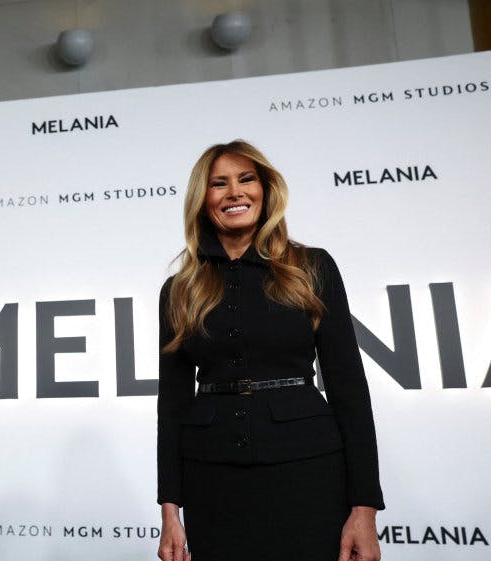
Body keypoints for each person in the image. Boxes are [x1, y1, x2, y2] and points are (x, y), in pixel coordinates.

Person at [156, 140, 384, 561]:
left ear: (266, 189)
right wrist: (170, 510)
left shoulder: (311, 267)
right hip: (213, 480)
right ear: (202, 200)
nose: (235, 192)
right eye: (218, 184)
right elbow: (171, 405)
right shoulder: (180, 289)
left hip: (307, 472)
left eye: (246, 179)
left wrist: (364, 508)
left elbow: (349, 390)